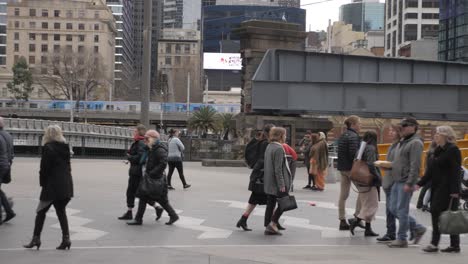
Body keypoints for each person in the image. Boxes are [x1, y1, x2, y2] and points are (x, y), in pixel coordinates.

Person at [24, 125, 74, 250]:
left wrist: (42, 184)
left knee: (40, 212)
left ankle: (36, 238)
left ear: (48, 134)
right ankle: (66, 239)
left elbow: (44, 169)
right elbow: (68, 167)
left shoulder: (48, 148)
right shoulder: (65, 148)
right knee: (61, 212)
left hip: (52, 186)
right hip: (66, 185)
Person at [417, 126, 462, 253]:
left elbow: (456, 171)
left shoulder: (453, 150)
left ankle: (448, 244)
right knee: (436, 213)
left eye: (438, 134)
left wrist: (455, 191)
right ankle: (441, 244)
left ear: (445, 135)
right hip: (437, 187)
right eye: (435, 133)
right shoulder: (437, 150)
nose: (435, 136)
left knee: (449, 216)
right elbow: (430, 171)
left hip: (449, 189)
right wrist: (419, 184)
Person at [388, 117, 426, 248]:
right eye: (401, 126)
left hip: (405, 181)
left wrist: (410, 183)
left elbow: (415, 166)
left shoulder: (415, 143)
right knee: (393, 208)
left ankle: (402, 238)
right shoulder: (403, 141)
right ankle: (418, 227)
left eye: (404, 126)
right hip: (397, 180)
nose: (401, 128)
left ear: (413, 127)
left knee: (402, 210)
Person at [127, 130, 179, 226]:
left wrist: (152, 173)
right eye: (145, 139)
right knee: (157, 199)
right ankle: (173, 215)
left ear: (154, 139)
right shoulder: (152, 148)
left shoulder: (159, 149)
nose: (145, 140)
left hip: (156, 179)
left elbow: (163, 163)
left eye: (147, 139)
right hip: (156, 179)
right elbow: (142, 160)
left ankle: (139, 219)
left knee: (148, 197)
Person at [118, 125, 163, 221]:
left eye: (135, 131)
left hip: (138, 173)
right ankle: (131, 211)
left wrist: (130, 157)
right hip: (135, 171)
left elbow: (140, 158)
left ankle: (156, 208)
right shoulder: (138, 142)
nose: (133, 133)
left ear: (139, 132)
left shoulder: (141, 143)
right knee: (137, 193)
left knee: (137, 193)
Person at [236, 124, 274, 231]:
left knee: (255, 199)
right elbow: (264, 160)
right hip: (262, 176)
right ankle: (272, 223)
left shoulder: (263, 142)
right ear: (269, 133)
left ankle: (243, 219)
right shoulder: (266, 144)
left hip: (259, 175)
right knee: (272, 198)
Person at [349, 131, 381, 237]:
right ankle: (356, 221)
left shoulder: (362, 147)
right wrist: (378, 176)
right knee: (372, 204)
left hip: (360, 179)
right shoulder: (371, 148)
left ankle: (368, 229)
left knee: (367, 204)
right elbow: (371, 165)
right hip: (368, 180)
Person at [264, 127, 293, 235]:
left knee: (270, 203)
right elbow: (278, 169)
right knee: (284, 202)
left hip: (269, 181)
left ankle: (268, 224)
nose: (286, 137)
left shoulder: (269, 146)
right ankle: (273, 223)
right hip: (277, 182)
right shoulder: (279, 148)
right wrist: (282, 184)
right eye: (285, 135)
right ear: (280, 136)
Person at [375, 125, 400, 243]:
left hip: (394, 182)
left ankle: (415, 227)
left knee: (393, 209)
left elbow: (396, 164)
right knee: (389, 210)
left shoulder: (399, 146)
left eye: (392, 130)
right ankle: (390, 233)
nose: (390, 132)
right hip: (388, 181)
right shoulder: (393, 145)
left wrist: (383, 165)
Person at [337, 115, 362, 230]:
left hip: (342, 168)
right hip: (351, 169)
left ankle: (342, 220)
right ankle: (357, 217)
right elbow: (354, 154)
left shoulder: (343, 135)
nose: (360, 126)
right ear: (353, 124)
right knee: (363, 191)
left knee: (343, 195)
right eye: (359, 123)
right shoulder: (353, 136)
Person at [0, 117, 15, 225]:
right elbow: (11, 152)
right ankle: (9, 211)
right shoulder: (8, 135)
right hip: (5, 164)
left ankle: (6, 212)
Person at [416, 141, 437, 212]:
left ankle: (421, 204)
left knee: (427, 189)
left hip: (428, 171)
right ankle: (423, 204)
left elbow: (425, 163)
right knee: (429, 189)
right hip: (432, 173)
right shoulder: (434, 152)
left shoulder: (429, 151)